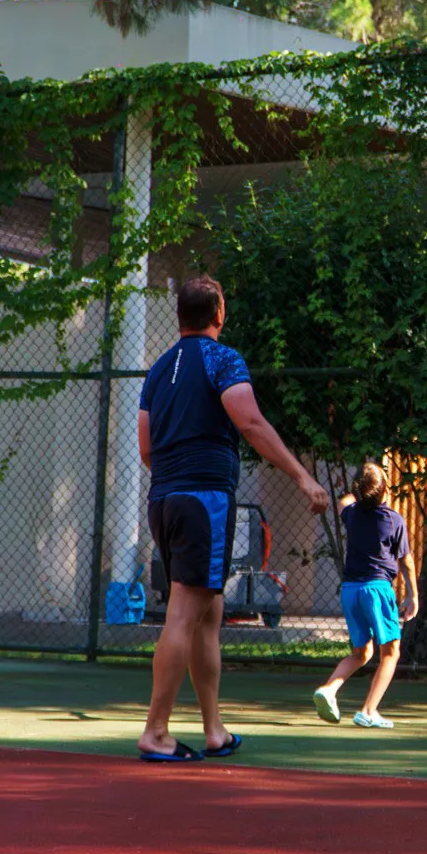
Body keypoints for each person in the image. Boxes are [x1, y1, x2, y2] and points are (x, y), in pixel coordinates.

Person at [137, 275, 328, 763]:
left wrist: (177, 480)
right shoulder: (223, 359)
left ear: (179, 315)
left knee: (209, 615)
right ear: (219, 314)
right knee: (185, 613)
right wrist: (303, 478)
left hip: (164, 501)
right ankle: (155, 732)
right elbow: (250, 422)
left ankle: (214, 730)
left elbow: (146, 448)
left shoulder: (157, 370)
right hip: (203, 502)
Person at [312, 462, 418, 729]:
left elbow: (344, 501)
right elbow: (406, 562)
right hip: (377, 590)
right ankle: (369, 711)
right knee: (390, 652)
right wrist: (413, 596)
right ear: (385, 490)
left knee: (361, 652)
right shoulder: (394, 520)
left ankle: (329, 689)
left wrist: (360, 492)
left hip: (351, 591)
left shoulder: (352, 514)